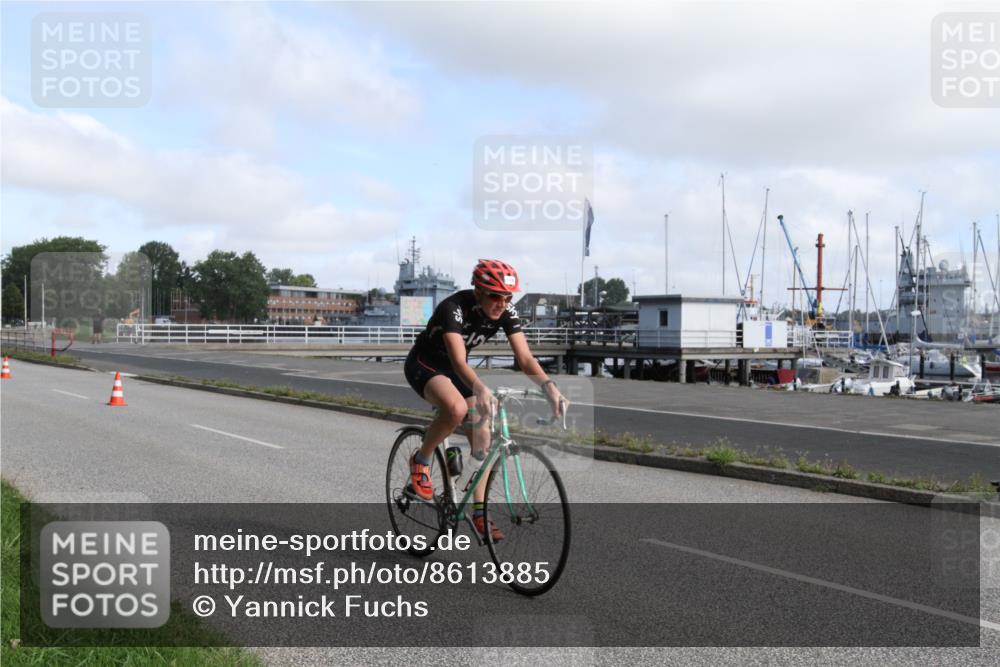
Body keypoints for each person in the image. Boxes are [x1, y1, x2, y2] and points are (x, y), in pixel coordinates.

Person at [403, 259, 568, 541]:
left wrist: (550, 387)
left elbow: (525, 358)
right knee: (455, 409)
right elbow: (457, 360)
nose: (501, 303)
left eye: (507, 297)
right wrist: (480, 388)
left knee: (483, 433)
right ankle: (421, 459)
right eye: (495, 295)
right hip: (426, 364)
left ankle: (479, 512)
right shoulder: (453, 308)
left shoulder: (505, 310)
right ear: (478, 290)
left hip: (458, 371)